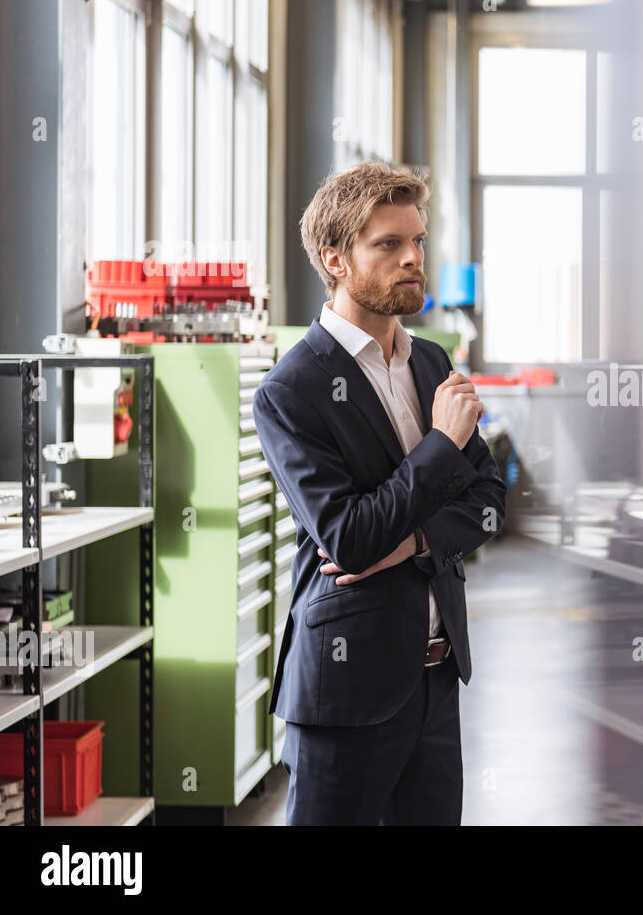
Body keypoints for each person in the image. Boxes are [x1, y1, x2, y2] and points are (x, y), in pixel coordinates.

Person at [252, 160, 506, 824]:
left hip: (436, 675)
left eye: (417, 240)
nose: (413, 258)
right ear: (336, 259)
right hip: (346, 689)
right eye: (388, 244)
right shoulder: (292, 389)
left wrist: (415, 541)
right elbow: (352, 538)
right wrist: (441, 447)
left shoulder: (430, 363)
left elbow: (487, 499)